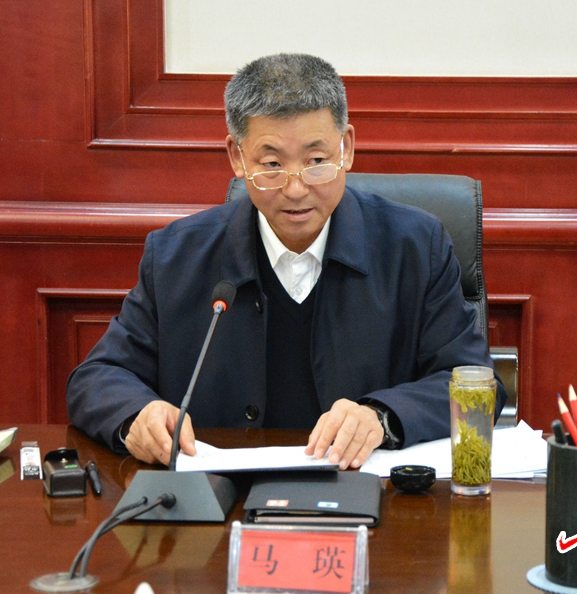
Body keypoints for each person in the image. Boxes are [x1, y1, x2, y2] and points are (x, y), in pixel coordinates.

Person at [67, 53, 504, 470]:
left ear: (347, 148)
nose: (296, 189)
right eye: (272, 164)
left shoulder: (415, 247)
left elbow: (475, 381)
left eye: (317, 161)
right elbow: (98, 376)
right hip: (220, 502)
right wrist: (137, 416)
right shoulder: (176, 256)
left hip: (370, 498)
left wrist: (381, 416)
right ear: (237, 157)